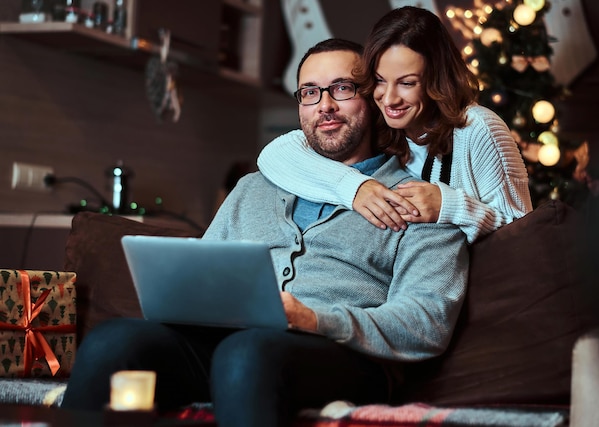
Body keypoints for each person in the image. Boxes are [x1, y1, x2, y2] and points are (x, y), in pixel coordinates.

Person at [60, 39, 469, 427]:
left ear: (375, 98)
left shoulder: (422, 202)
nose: (324, 106)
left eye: (342, 88)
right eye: (309, 92)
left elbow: (425, 323)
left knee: (246, 354)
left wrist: (314, 319)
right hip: (225, 348)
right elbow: (202, 280)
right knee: (113, 342)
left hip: (343, 357)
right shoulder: (254, 187)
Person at [258, 6, 532, 244]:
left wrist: (449, 207)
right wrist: (355, 188)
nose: (389, 98)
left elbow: (525, 235)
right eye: (379, 80)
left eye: (406, 83)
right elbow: (275, 153)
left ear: (436, 80)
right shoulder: (382, 121)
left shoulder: (478, 129)